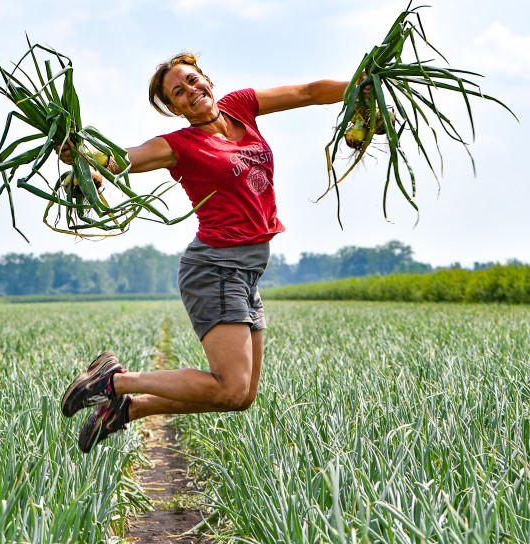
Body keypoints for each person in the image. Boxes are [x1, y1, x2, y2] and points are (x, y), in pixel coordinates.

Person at [59, 52, 353, 453]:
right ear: (173, 108)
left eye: (193, 81)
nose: (191, 92)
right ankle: (112, 381)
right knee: (229, 387)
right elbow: (120, 160)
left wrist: (362, 85)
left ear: (208, 80)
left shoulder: (241, 107)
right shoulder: (178, 145)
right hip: (216, 267)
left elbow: (307, 92)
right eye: (178, 93)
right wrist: (81, 157)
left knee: (241, 395)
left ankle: (127, 409)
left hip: (248, 271)